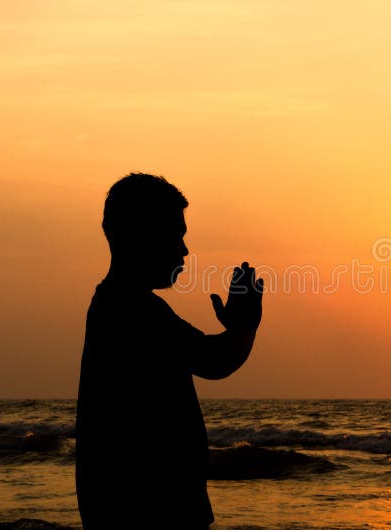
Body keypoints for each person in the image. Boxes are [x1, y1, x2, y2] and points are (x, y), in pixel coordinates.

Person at [75, 173, 263, 529]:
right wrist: (246, 325)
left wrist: (238, 329)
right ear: (142, 235)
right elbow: (215, 360)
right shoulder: (134, 311)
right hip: (152, 514)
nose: (183, 249)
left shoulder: (116, 305)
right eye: (175, 235)